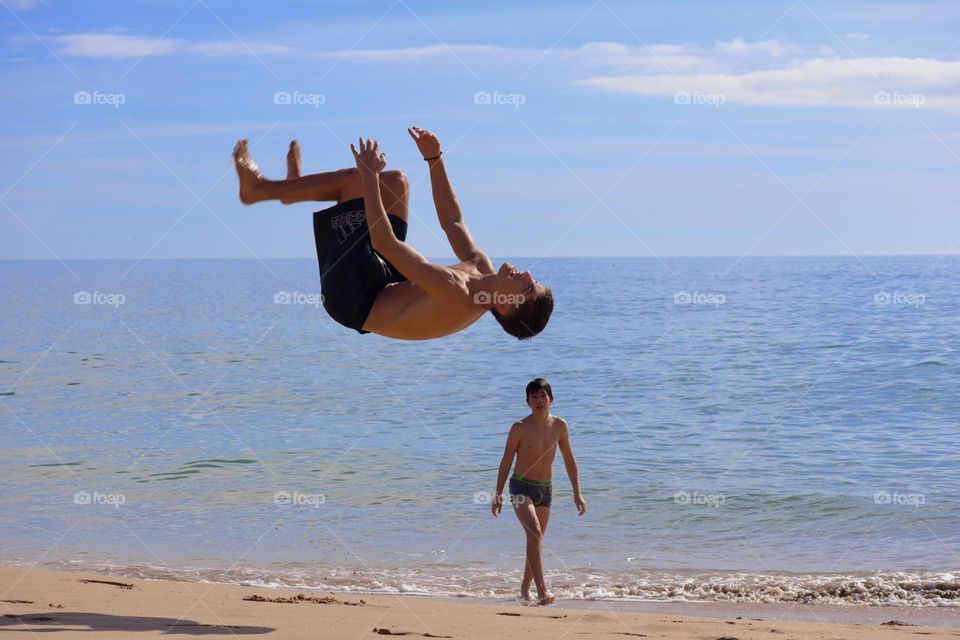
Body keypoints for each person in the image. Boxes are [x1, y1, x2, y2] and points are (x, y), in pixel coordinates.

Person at [232, 127, 553, 340]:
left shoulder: (455, 292)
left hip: (353, 298)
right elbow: (452, 222)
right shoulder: (482, 268)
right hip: (388, 280)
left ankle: (259, 189)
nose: (526, 274)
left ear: (505, 306)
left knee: (359, 183)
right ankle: (293, 190)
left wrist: (368, 177)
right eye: (533, 280)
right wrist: (434, 158)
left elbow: (385, 242)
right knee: (396, 182)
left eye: (526, 287)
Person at [492, 378, 586, 605]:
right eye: (533, 397)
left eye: (543, 395)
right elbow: (506, 461)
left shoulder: (560, 426)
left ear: (551, 399)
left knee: (536, 539)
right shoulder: (519, 428)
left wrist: (577, 493)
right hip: (520, 485)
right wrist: (498, 493)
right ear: (528, 402)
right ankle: (542, 590)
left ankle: (525, 589)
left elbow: (569, 460)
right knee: (534, 531)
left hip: (545, 488)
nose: (539, 400)